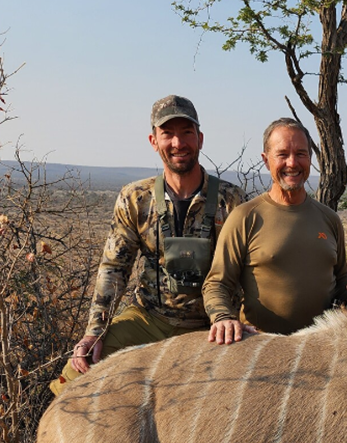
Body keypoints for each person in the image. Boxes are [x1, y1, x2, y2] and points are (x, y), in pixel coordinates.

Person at [51, 95, 245, 394]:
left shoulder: (231, 200)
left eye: (186, 133)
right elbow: (114, 268)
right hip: (148, 319)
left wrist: (239, 320)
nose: (178, 143)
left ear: (200, 139)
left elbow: (246, 271)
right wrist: (95, 332)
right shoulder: (135, 197)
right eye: (168, 134)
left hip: (211, 328)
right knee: (74, 377)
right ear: (154, 141)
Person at [203, 118, 347, 343]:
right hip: (262, 347)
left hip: (322, 345)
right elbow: (216, 284)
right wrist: (223, 317)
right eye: (282, 154)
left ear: (310, 159)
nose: (292, 163)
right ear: (266, 160)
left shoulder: (329, 219)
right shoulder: (245, 217)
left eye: (301, 154)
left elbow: (342, 281)